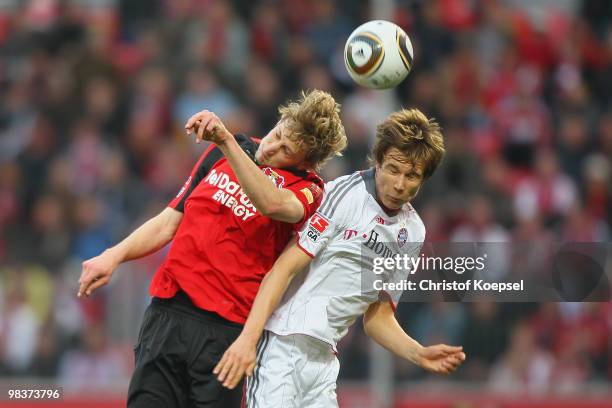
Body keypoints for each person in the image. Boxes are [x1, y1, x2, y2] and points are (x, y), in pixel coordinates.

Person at [77, 89, 347, 408]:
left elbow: (272, 204)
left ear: (306, 162)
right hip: (168, 312)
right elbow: (168, 222)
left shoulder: (308, 190)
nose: (272, 147)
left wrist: (226, 142)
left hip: (225, 334)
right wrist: (113, 256)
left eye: (286, 149)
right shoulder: (227, 152)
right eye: (277, 133)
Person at [213, 108, 466, 407]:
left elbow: (378, 316)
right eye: (393, 169)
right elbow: (284, 268)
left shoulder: (412, 232)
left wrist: (418, 353)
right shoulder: (345, 194)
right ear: (379, 161)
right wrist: (248, 339)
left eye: (412, 176)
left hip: (324, 361)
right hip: (282, 344)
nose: (399, 184)